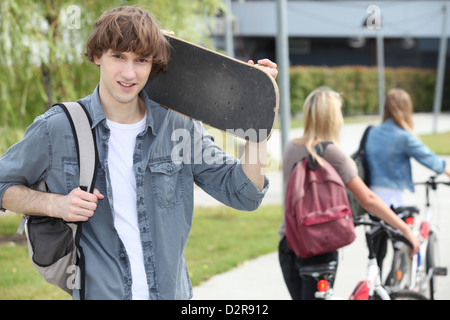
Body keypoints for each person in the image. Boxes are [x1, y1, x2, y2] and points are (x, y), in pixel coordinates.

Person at [0, 6, 278, 300]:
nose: (129, 73)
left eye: (141, 60)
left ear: (152, 65)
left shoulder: (177, 125)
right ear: (97, 56)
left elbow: (244, 194)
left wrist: (257, 118)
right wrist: (56, 205)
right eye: (118, 56)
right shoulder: (58, 128)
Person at [277, 86, 420, 300]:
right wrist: (404, 230)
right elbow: (368, 199)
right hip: (319, 245)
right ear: (334, 118)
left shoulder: (290, 147)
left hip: (289, 243)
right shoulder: (333, 153)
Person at [365, 88, 450, 272]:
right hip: (394, 199)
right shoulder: (403, 136)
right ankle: (401, 284)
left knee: (377, 252)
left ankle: (377, 287)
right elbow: (429, 159)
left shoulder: (372, 131)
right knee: (407, 243)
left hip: (371, 198)